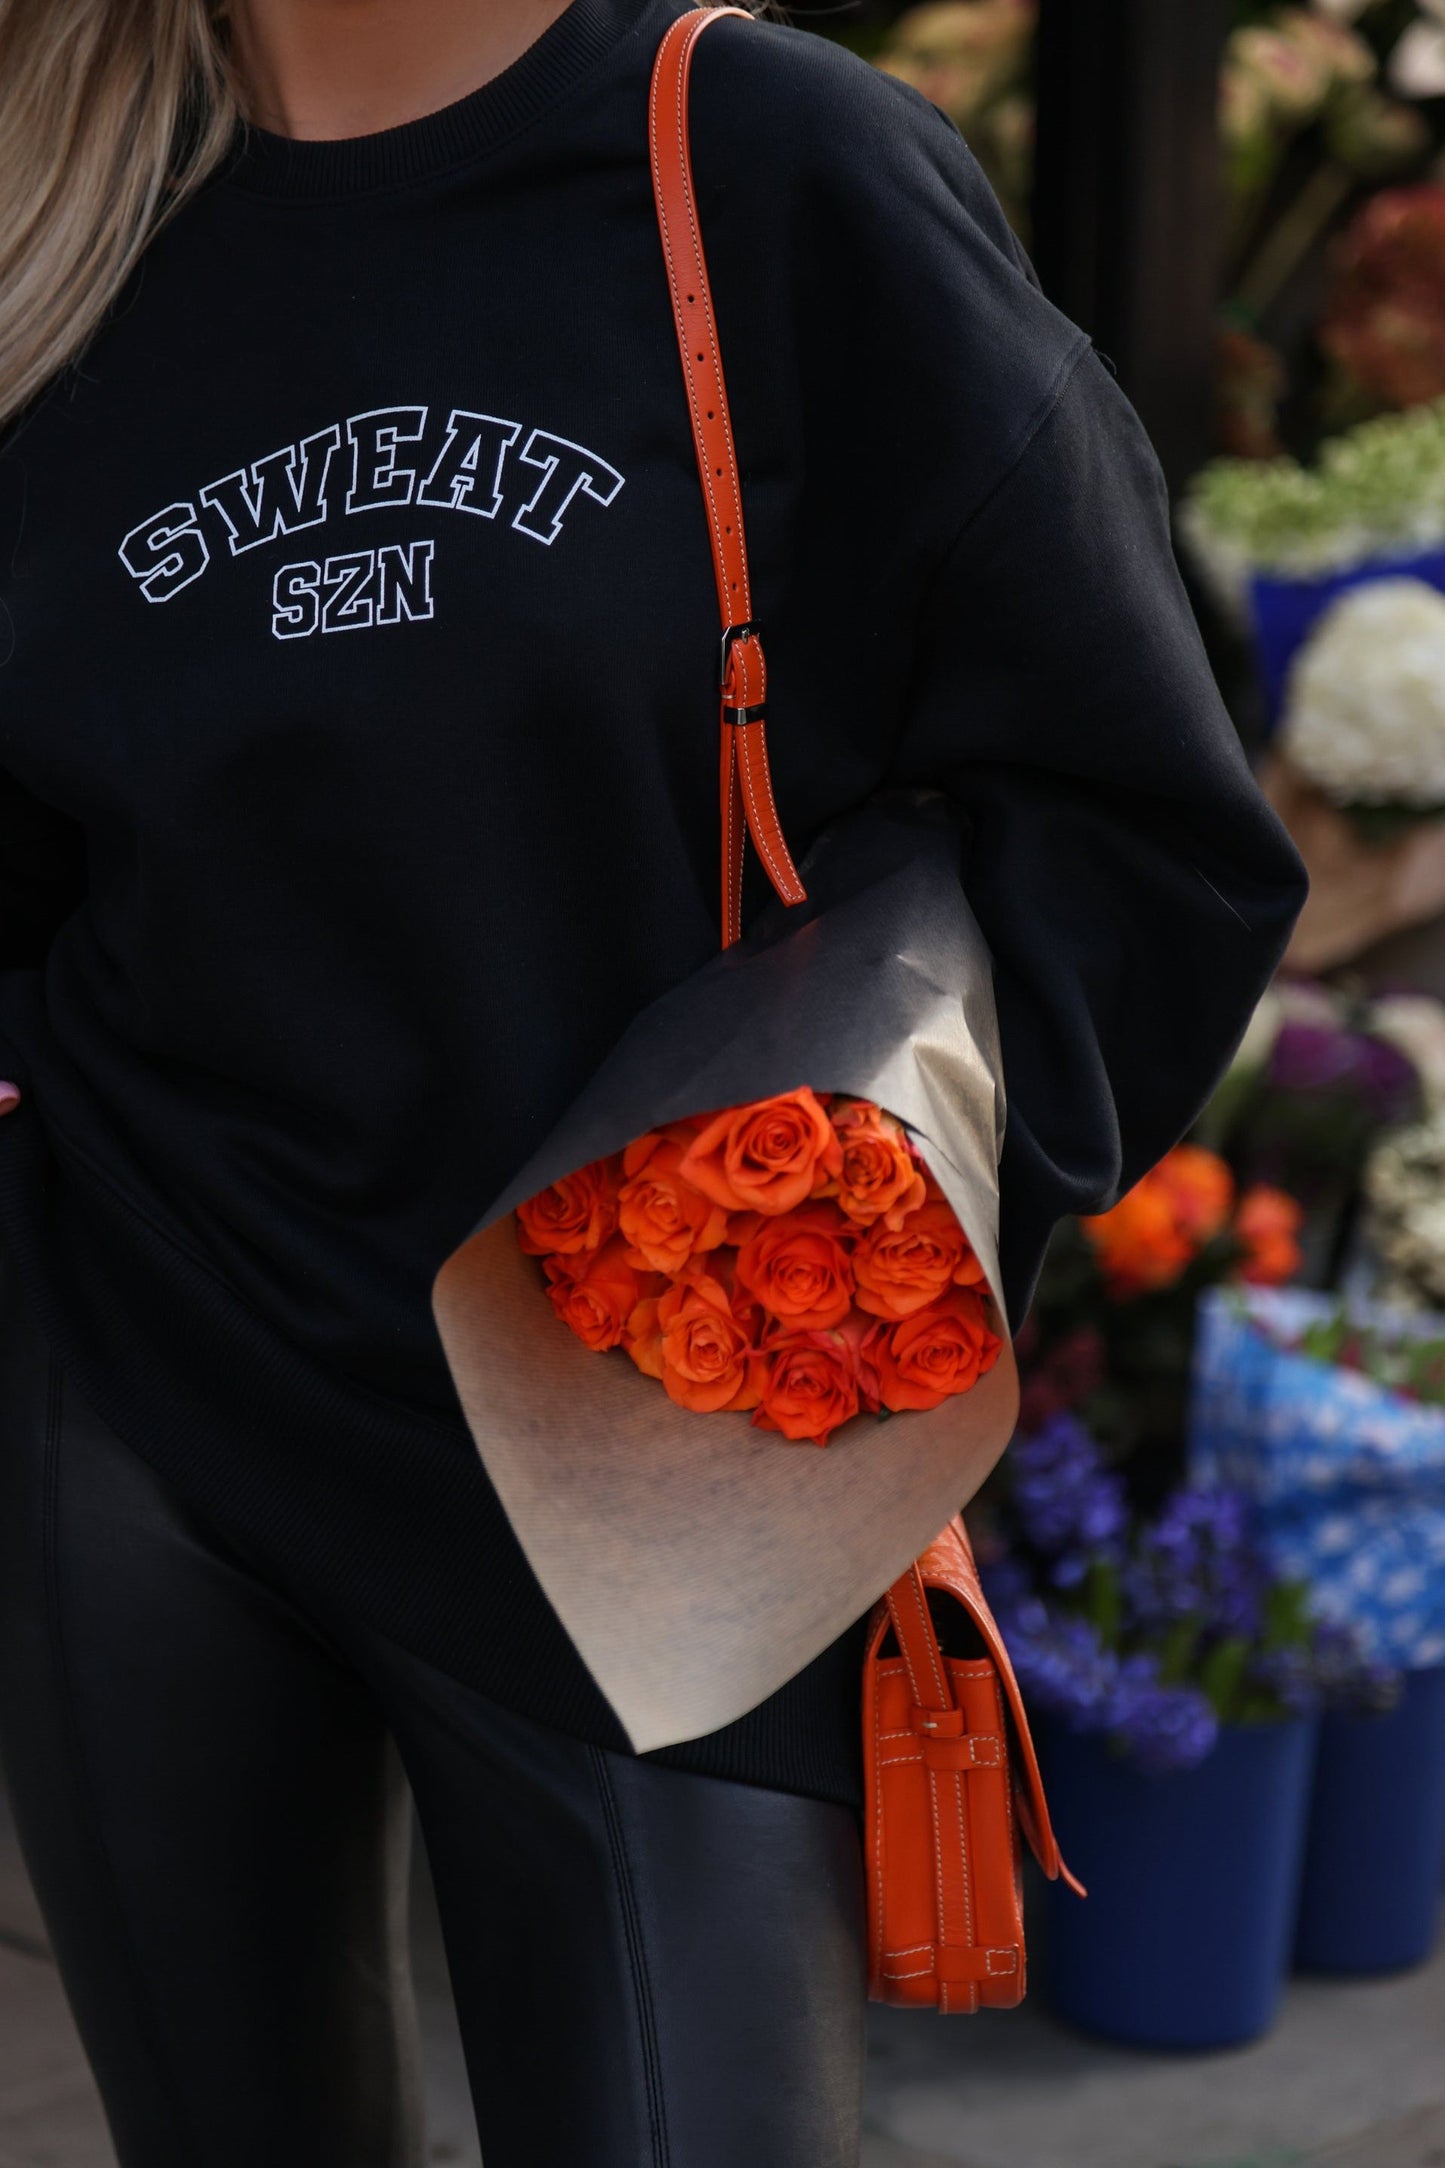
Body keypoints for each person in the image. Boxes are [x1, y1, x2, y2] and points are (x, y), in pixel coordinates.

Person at [0, 0, 1305, 2161]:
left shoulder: (763, 167)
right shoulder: (57, 219)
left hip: (665, 1454)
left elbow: (1141, 819)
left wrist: (878, 1277)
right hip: (139, 1407)